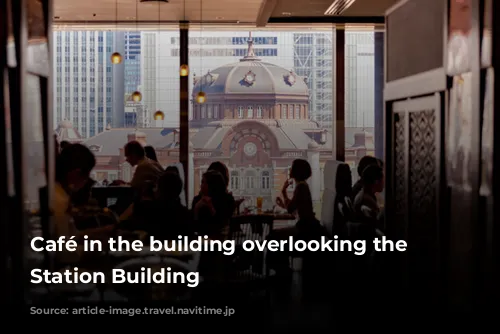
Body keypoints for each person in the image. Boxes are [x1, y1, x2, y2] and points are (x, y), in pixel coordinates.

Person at [53, 144, 115, 264]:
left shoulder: (58, 194)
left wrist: (102, 231)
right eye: (87, 174)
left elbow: (71, 236)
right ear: (76, 173)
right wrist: (98, 248)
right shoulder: (59, 201)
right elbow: (67, 254)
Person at [119, 141, 163, 220]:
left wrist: (121, 185)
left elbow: (133, 187)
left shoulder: (143, 167)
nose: (127, 160)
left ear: (133, 155)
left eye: (127, 156)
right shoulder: (151, 163)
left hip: (152, 207)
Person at [193, 170, 233, 238]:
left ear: (212, 185)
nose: (201, 185)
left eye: (203, 182)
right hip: (202, 240)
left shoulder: (226, 200)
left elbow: (221, 224)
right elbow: (194, 226)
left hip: (222, 241)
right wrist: (196, 208)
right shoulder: (197, 200)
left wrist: (211, 207)